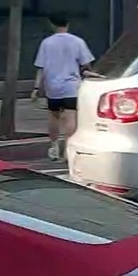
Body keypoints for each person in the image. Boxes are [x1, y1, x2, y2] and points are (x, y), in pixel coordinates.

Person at [31, 12, 95, 164]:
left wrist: (36, 88)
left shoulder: (46, 43)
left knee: (53, 116)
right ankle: (68, 149)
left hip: (52, 86)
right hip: (72, 85)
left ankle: (54, 147)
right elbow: (86, 64)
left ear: (51, 24)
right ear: (68, 24)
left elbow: (40, 67)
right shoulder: (78, 41)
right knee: (70, 117)